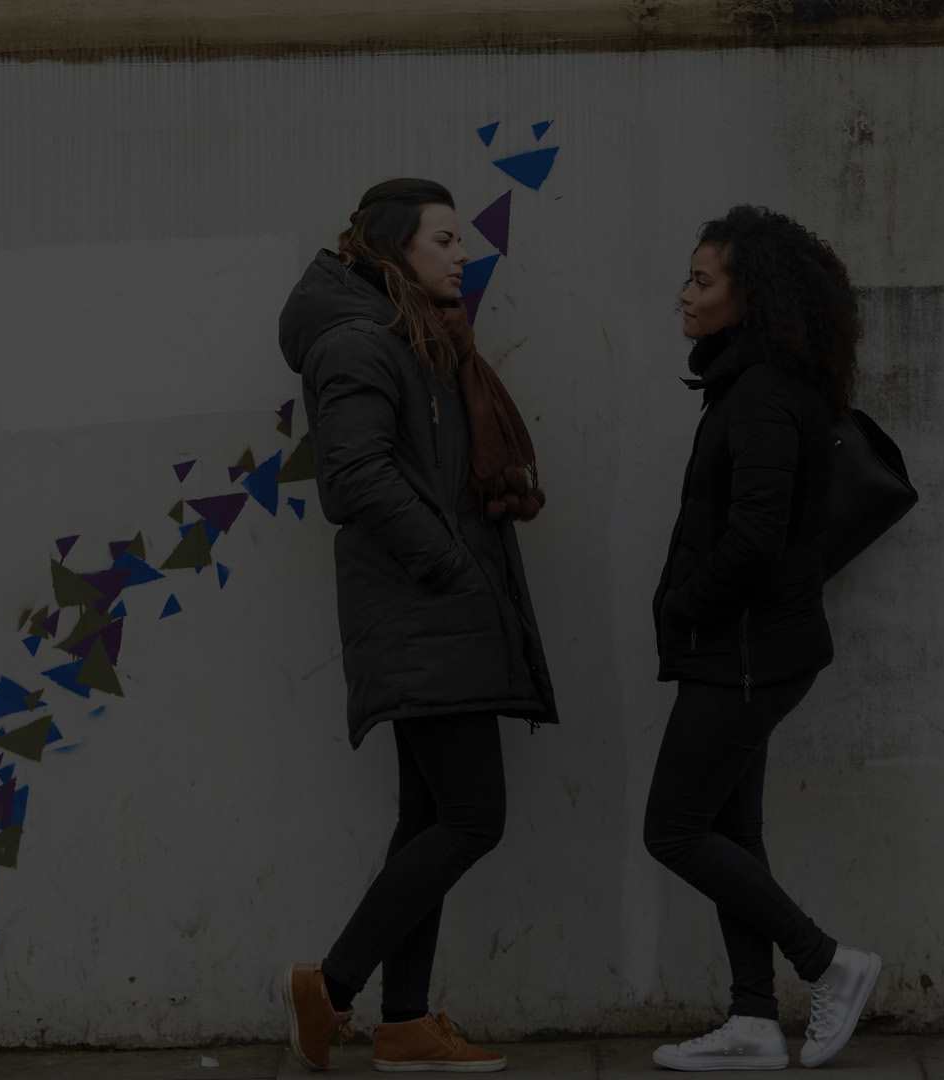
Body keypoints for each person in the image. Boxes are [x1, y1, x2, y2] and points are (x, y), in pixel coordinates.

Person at [274, 178, 557, 1074]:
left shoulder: (418, 343)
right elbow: (353, 479)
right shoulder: (359, 345)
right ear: (394, 250)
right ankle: (331, 986)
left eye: (460, 238)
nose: (460, 252)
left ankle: (402, 1024)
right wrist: (450, 562)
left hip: (440, 613)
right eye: (442, 239)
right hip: (425, 610)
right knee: (473, 816)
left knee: (429, 817)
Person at [645, 205, 881, 1071]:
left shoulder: (762, 396)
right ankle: (751, 1020)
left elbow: (754, 535)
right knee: (730, 833)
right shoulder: (756, 385)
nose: (686, 295)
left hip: (744, 651)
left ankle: (830, 964)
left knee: (672, 828)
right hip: (744, 648)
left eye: (703, 282)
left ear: (751, 298)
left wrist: (684, 606)